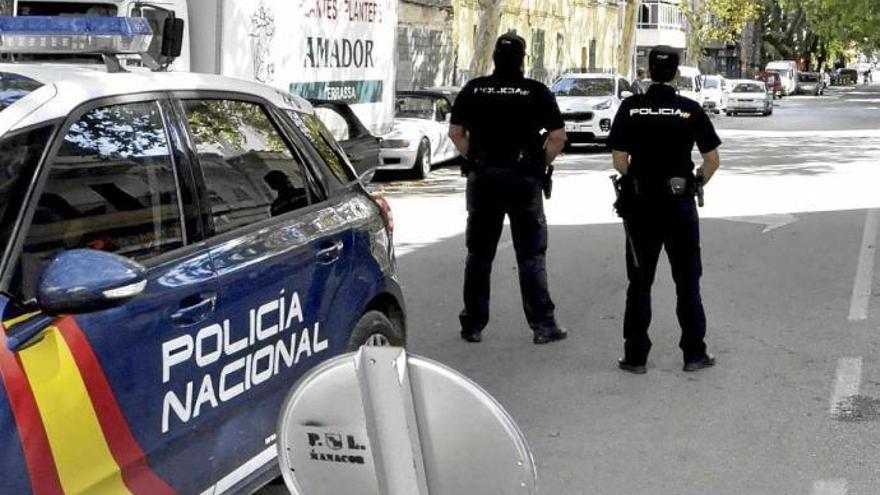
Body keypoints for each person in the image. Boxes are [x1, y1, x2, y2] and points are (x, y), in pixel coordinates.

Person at [607, 45, 721, 374]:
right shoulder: (689, 109)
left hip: (641, 206)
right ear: (676, 73)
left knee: (640, 282)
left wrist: (639, 180)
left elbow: (619, 159)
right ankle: (694, 354)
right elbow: (712, 160)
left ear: (648, 71)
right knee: (687, 281)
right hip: (679, 203)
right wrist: (695, 182)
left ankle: (635, 357)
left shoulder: (631, 108)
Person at [448, 33, 568, 345]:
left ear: (494, 58)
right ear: (523, 59)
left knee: (479, 253)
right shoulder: (536, 91)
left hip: (483, 179)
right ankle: (543, 326)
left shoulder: (474, 89)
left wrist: (475, 157)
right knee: (530, 254)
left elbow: (456, 132)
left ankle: (473, 325)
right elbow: (557, 137)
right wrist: (540, 164)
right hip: (524, 179)